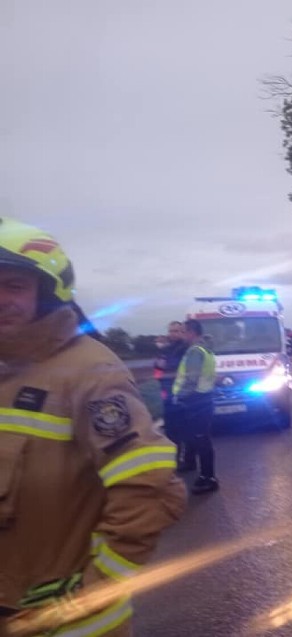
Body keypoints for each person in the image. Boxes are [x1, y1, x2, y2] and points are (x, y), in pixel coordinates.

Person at [0, 217, 186, 636]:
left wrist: (91, 592)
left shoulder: (89, 372)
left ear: (47, 294)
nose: (0, 298)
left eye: (14, 286)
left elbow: (150, 490)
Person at [172, 319, 218, 494]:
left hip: (195, 400)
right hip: (204, 398)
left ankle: (209, 478)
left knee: (202, 440)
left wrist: (180, 396)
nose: (182, 335)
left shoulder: (195, 351)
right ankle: (196, 467)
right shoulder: (206, 349)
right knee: (198, 437)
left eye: (183, 331)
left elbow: (191, 379)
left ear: (191, 332)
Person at [153, 321, 189, 468]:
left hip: (182, 395)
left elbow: (178, 370)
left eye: (176, 331)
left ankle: (186, 459)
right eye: (171, 331)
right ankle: (175, 459)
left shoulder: (186, 349)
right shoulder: (166, 350)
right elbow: (158, 368)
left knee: (184, 429)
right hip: (167, 394)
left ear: (183, 332)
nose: (173, 334)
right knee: (171, 430)